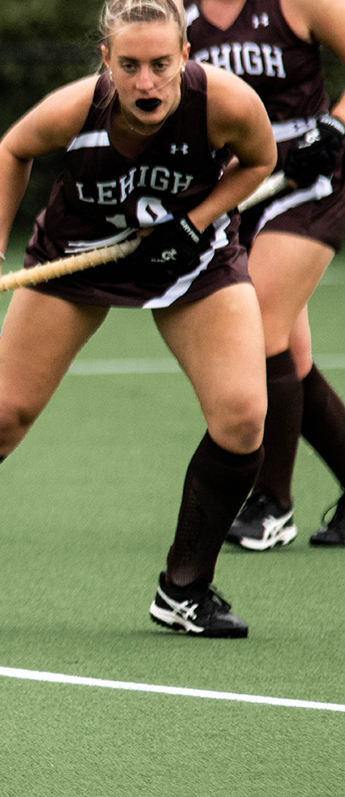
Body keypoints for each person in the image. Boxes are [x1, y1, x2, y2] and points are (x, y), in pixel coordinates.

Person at [0, 0, 276, 639]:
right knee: (0, 419)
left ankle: (185, 589)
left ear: (186, 57)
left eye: (161, 65)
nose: (146, 83)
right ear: (106, 61)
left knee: (244, 419)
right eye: (130, 65)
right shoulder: (76, 110)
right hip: (75, 262)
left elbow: (259, 161)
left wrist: (196, 221)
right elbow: (13, 151)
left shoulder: (225, 102)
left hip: (192, 262)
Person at [186, 0, 345, 550]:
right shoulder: (173, 13)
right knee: (290, 357)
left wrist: (335, 129)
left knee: (260, 324)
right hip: (244, 189)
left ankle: (273, 503)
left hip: (315, 181)